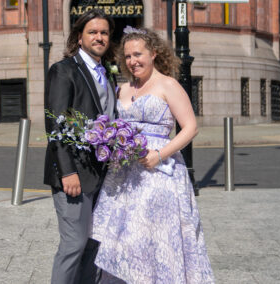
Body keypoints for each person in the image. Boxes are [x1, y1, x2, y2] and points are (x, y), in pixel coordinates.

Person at [91, 27, 215, 283]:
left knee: (154, 238)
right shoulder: (122, 89)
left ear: (154, 53)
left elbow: (190, 127)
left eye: (138, 54)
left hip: (159, 174)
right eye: (127, 56)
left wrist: (160, 154)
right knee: (124, 239)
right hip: (125, 175)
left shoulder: (168, 85)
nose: (132, 61)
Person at [44, 9, 117, 284]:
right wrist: (67, 172)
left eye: (104, 33)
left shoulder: (107, 74)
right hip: (74, 175)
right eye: (93, 32)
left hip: (101, 174)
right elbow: (56, 124)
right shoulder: (63, 71)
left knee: (92, 244)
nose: (99, 37)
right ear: (79, 37)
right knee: (74, 244)